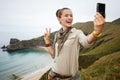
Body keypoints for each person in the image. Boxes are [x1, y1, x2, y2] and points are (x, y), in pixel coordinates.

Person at [44, 7, 105, 80]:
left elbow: (86, 42)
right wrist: (47, 41)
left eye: (71, 15)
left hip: (70, 78)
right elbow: (54, 55)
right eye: (66, 15)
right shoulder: (57, 35)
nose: (70, 17)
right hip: (53, 74)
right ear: (59, 19)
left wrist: (96, 32)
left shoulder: (77, 33)